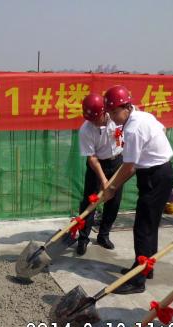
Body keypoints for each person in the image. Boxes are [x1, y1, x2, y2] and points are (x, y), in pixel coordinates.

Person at [101, 85, 173, 294]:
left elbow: (129, 166)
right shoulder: (144, 116)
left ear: (126, 107)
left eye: (116, 112)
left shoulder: (133, 128)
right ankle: (143, 268)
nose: (113, 117)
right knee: (149, 225)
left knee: (143, 227)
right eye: (111, 113)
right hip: (159, 172)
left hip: (155, 176)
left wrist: (112, 187)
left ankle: (138, 281)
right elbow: (163, 130)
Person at [75, 93, 123, 255]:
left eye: (96, 118)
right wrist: (103, 180)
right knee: (91, 201)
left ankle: (104, 235)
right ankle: (83, 239)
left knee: (114, 200)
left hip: (117, 161)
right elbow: (92, 158)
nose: (94, 122)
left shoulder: (116, 118)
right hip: (97, 165)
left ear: (104, 112)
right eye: (91, 119)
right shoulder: (86, 130)